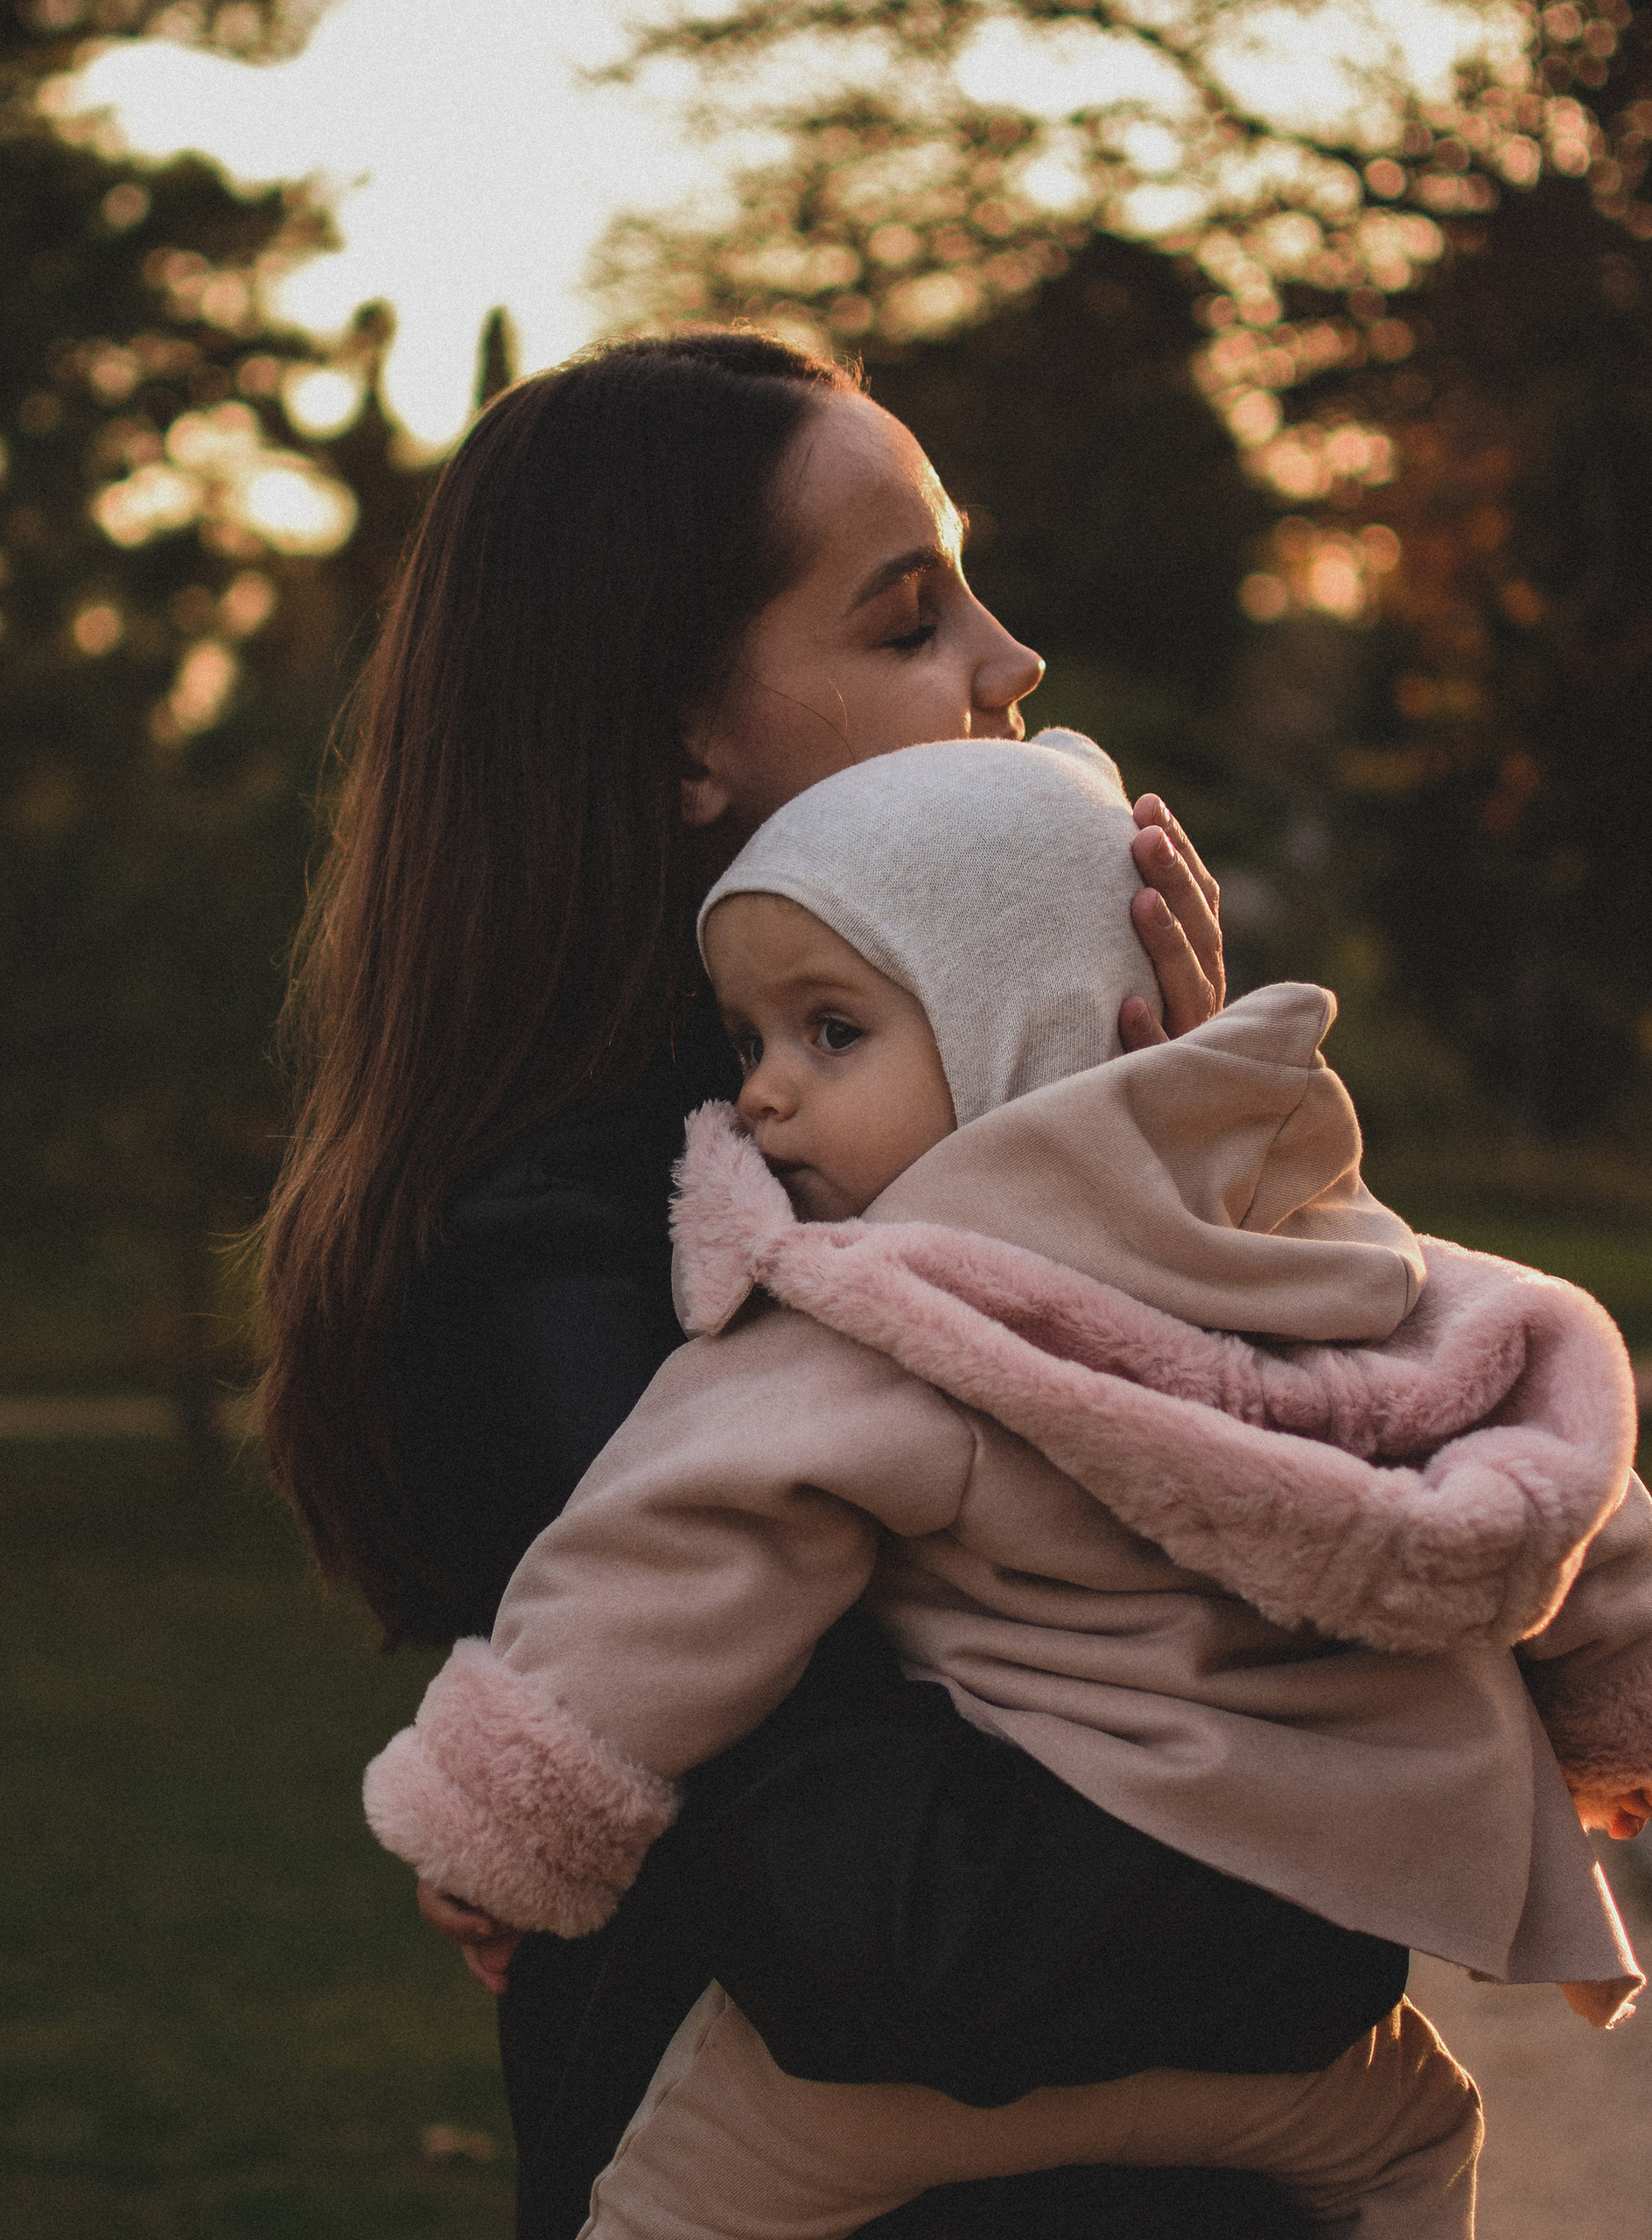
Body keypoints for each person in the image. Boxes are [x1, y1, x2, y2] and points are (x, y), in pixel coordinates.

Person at [365, 733, 1652, 2239]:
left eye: (832, 1032)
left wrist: (507, 1825)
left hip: (892, 2081)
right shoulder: (1314, 1258)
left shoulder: (884, 1318)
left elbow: (675, 1558)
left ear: (1015, 1030)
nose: (769, 1098)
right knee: (1421, 2145)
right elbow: (1555, 1456)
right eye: (751, 1045)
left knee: (661, 2208)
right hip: (1301, 2030)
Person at [261, 329, 1331, 2239]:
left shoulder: (966, 1160)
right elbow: (911, 1940)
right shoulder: (572, 1267)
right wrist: (1360, 1857)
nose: (1013, 664)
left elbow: (1343, 1505)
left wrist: (1175, 1149)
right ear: (680, 742)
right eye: (910, 617)